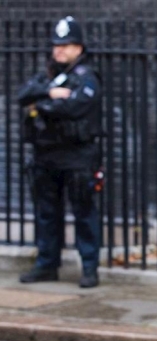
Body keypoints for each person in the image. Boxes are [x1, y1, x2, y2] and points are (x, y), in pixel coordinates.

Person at [17, 16, 103, 288]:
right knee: (46, 213)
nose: (59, 51)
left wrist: (41, 104)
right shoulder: (48, 76)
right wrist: (50, 93)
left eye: (66, 45)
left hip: (78, 156)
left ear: (79, 48)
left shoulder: (86, 77)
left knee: (84, 213)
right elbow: (23, 95)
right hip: (46, 154)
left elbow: (75, 108)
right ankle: (46, 264)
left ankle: (89, 268)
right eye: (56, 46)